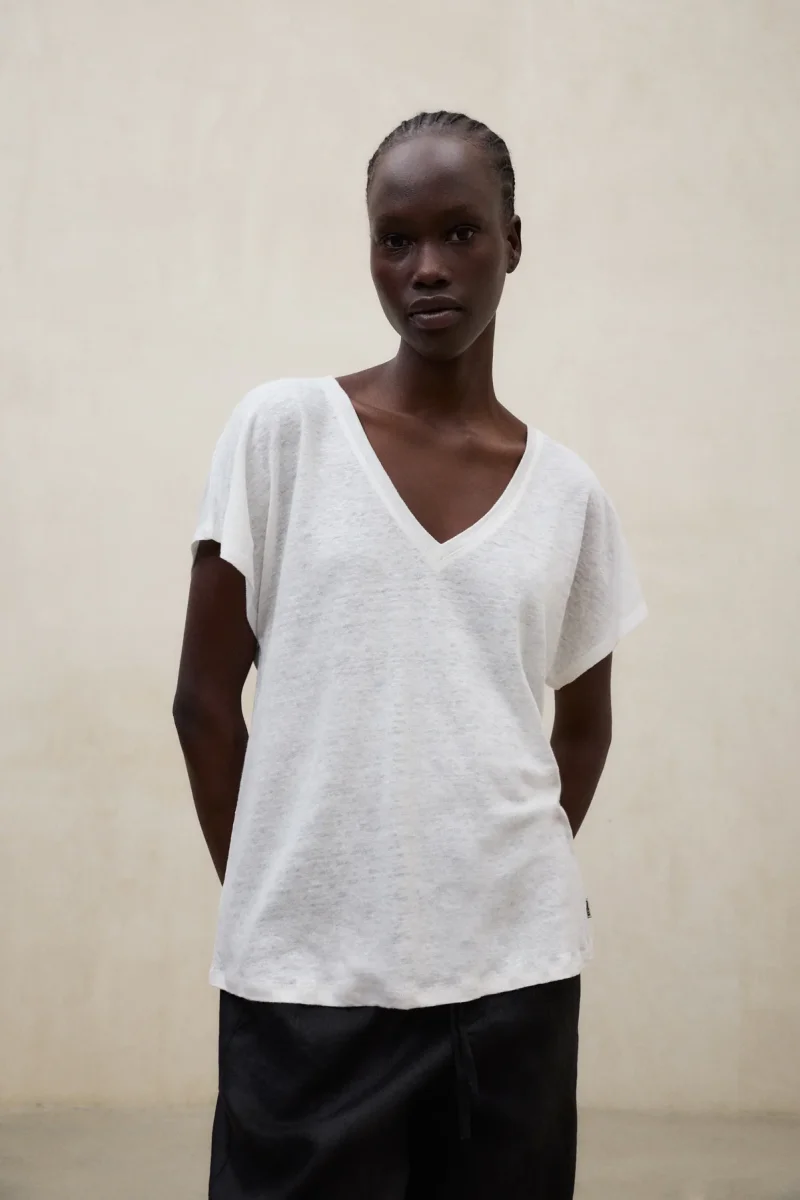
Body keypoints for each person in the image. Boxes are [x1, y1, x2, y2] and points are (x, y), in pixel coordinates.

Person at [173, 110, 646, 1199]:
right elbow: (202, 702)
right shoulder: (283, 431)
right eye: (396, 239)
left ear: (511, 241)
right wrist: (281, 897)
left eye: (459, 233)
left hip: (515, 982)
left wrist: (494, 887)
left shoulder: (568, 495)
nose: (426, 267)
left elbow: (582, 730)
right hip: (305, 984)